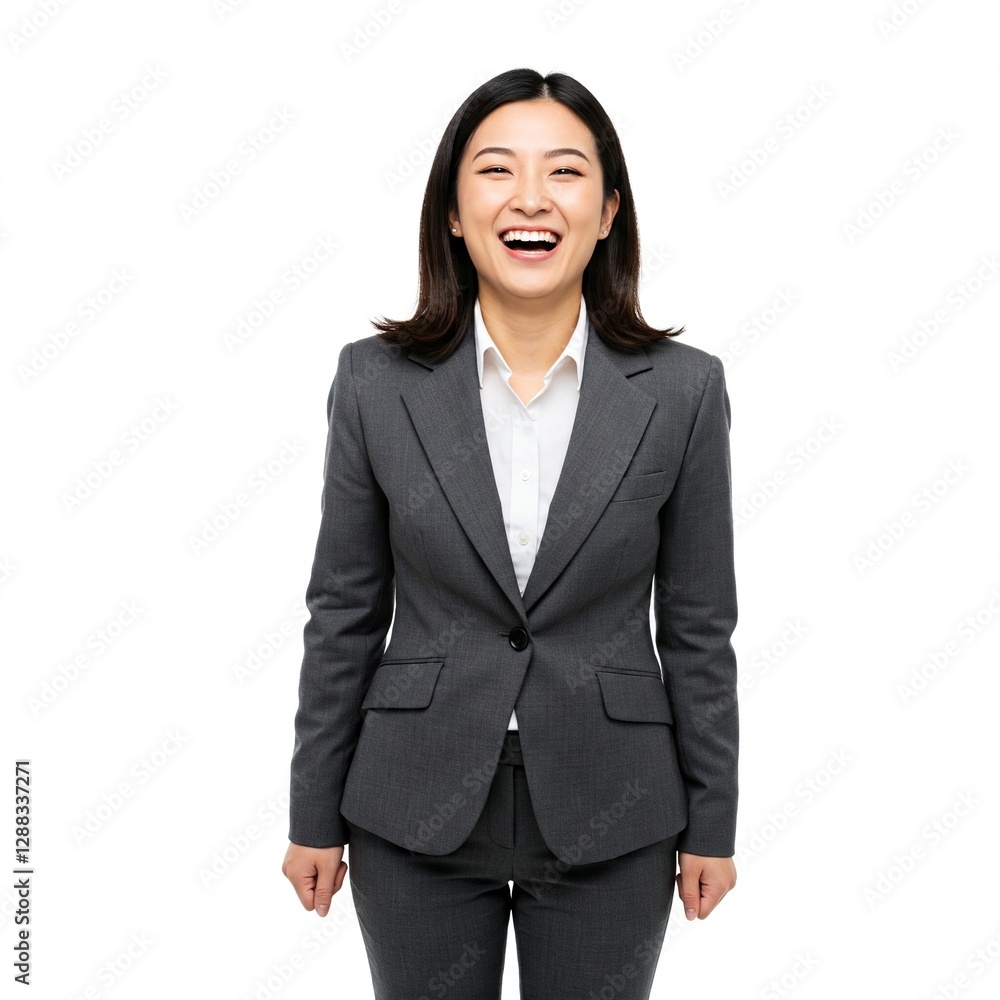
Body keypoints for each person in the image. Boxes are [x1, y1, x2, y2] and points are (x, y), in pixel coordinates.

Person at [282, 67, 739, 999]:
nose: (531, 198)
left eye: (565, 172)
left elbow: (699, 626)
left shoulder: (684, 390)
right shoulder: (374, 382)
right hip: (411, 799)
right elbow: (343, 611)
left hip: (615, 802)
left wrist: (714, 823)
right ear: (453, 212)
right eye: (497, 170)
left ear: (608, 212)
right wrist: (311, 813)